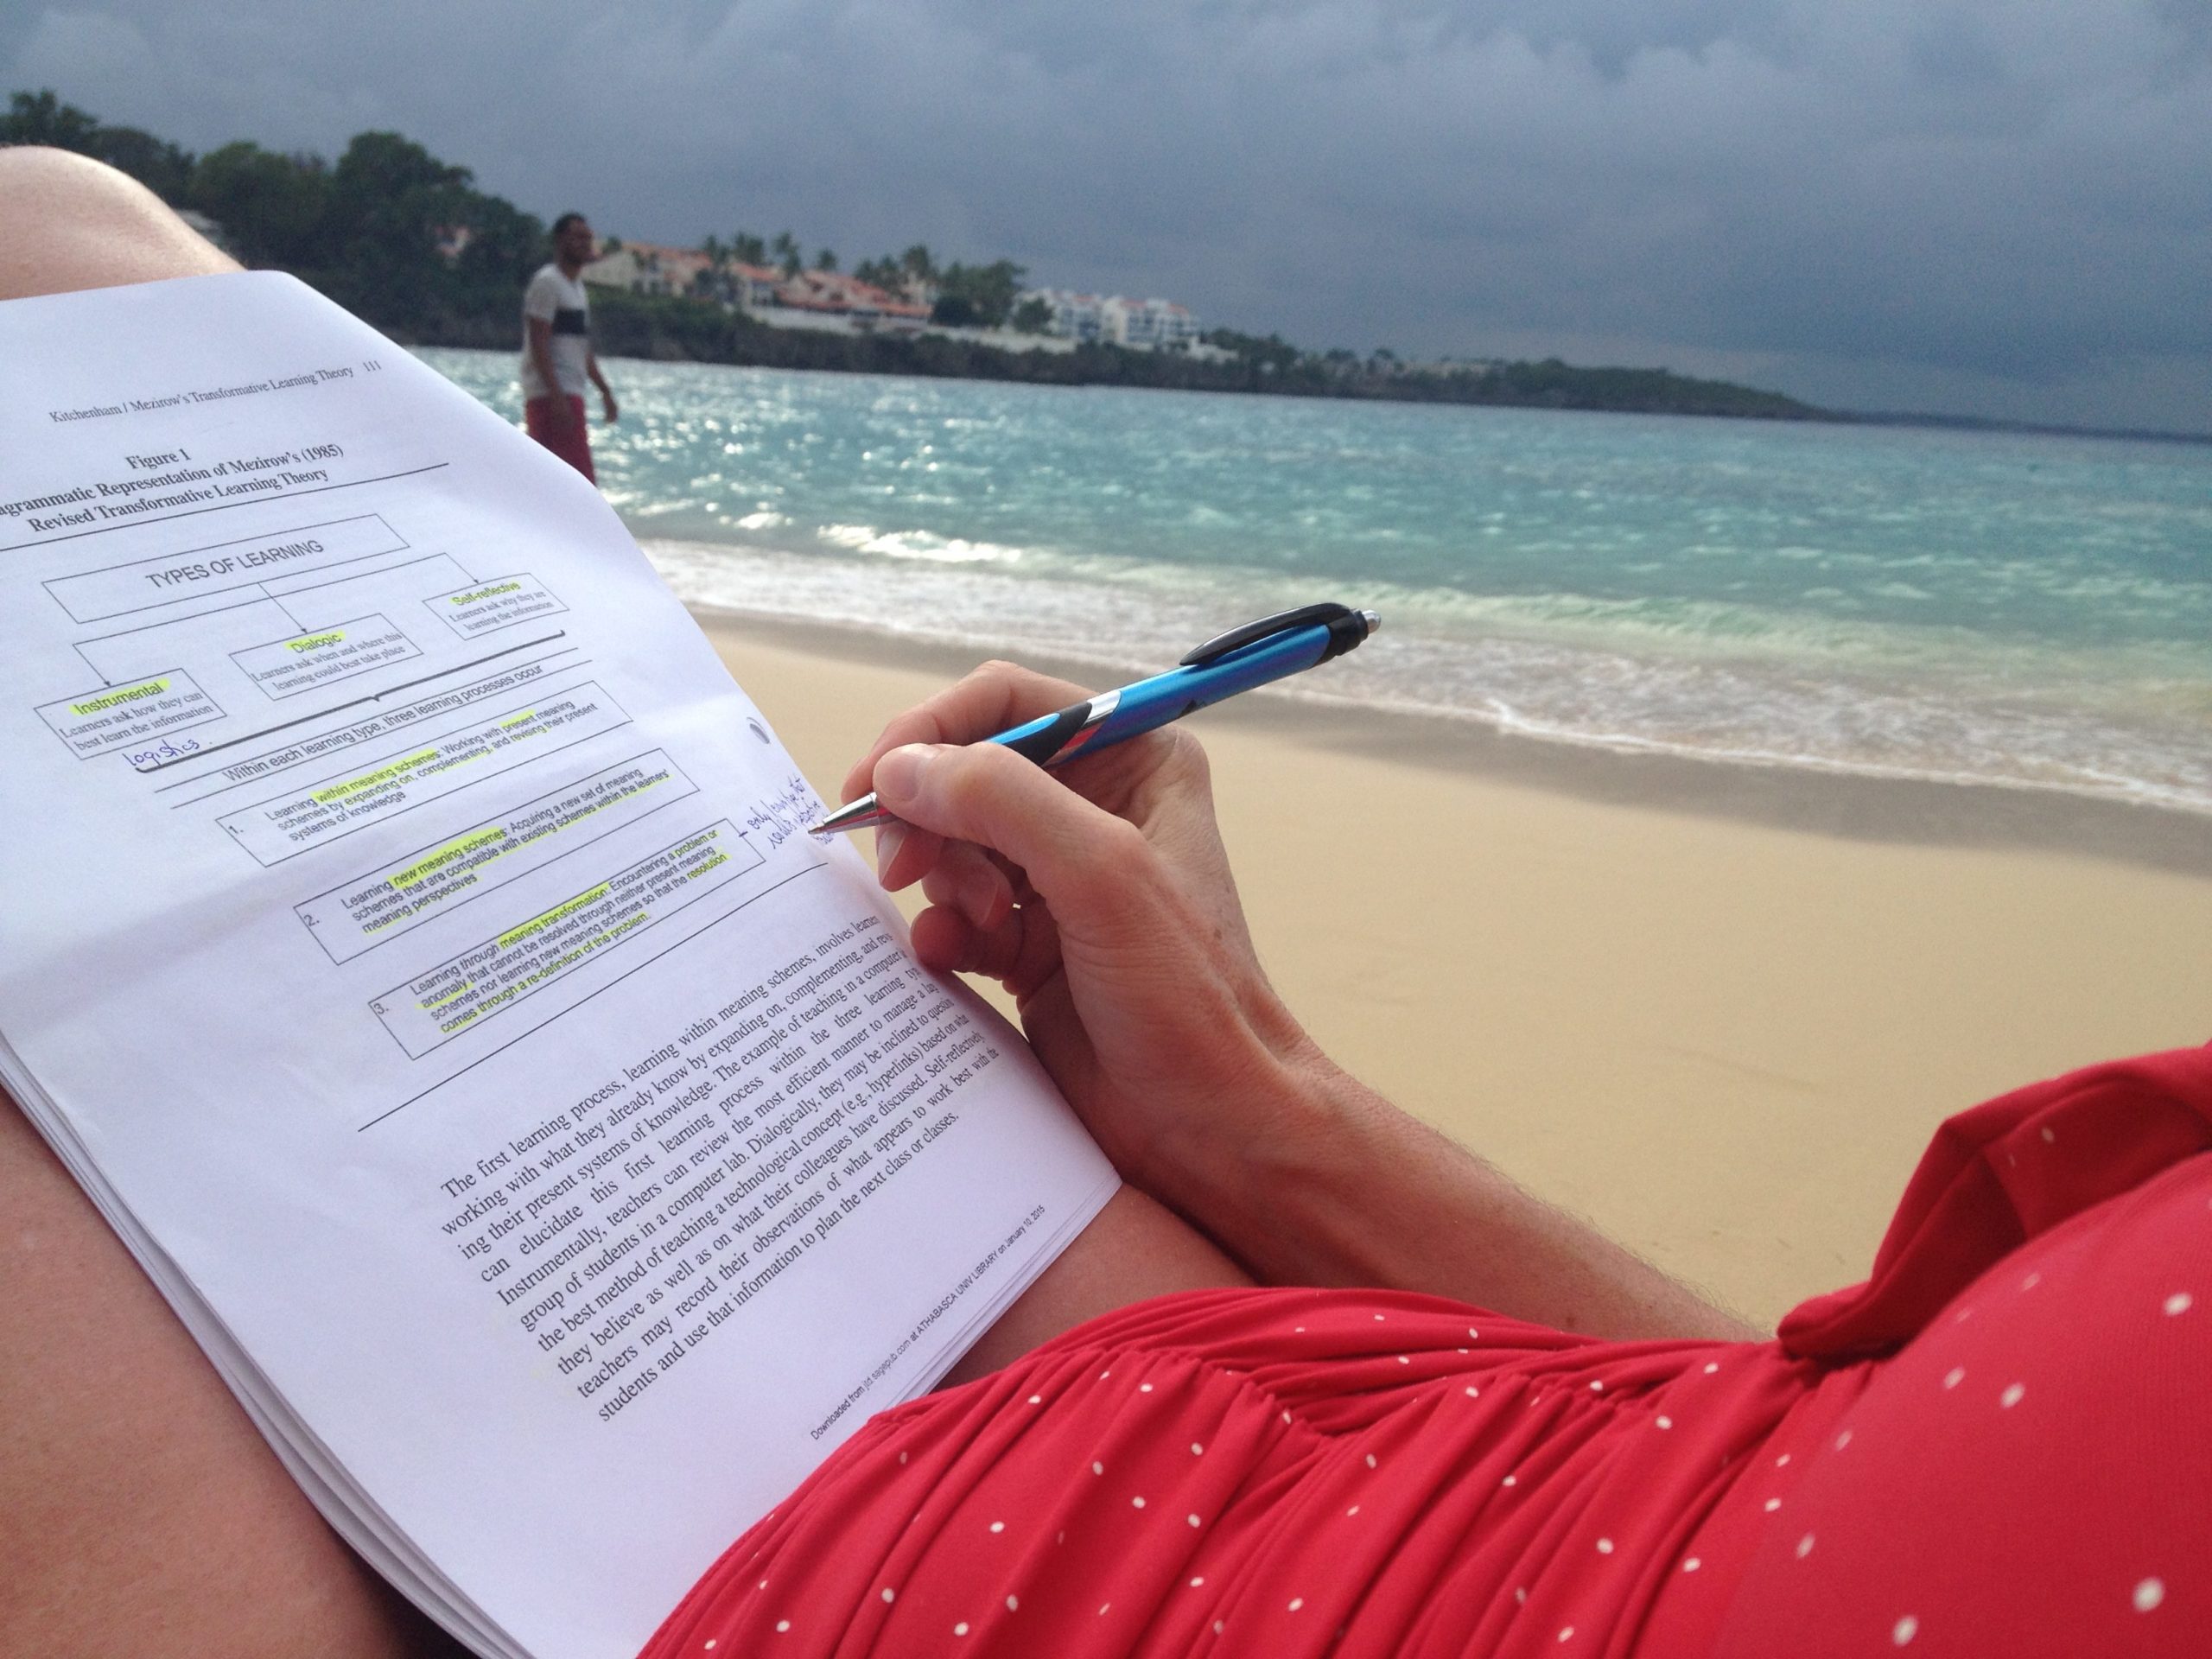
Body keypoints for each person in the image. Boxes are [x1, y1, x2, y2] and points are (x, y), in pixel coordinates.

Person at [3, 150, 2207, 1659]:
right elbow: (1812, 1434)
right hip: (1406, 1407)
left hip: (995, 1579)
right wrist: (1253, 1103)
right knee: (66, 224)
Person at [520, 211, 618, 482]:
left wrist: (605, 391)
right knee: (570, 480)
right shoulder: (547, 284)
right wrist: (556, 396)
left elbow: (581, 349)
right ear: (560, 240)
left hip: (571, 392)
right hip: (550, 396)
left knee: (569, 479)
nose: (584, 244)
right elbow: (538, 342)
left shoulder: (576, 289)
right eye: (577, 237)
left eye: (588, 238)